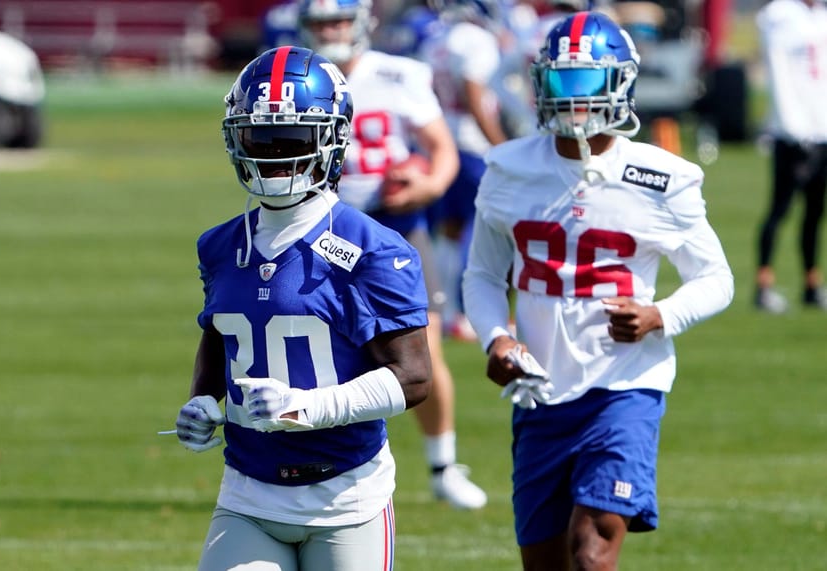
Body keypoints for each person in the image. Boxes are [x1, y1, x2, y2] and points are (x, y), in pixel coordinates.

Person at [462, 12, 734, 570]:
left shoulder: (662, 177)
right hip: (540, 391)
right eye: (562, 82)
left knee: (592, 550)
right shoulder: (508, 168)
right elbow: (484, 274)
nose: (574, 99)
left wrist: (660, 314)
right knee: (545, 561)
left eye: (588, 82)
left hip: (624, 386)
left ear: (621, 82)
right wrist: (495, 336)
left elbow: (716, 278)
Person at [173, 46, 433, 571]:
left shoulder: (374, 248)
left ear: (332, 141)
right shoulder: (221, 245)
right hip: (247, 493)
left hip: (345, 498)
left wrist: (304, 407)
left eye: (291, 140)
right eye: (258, 138)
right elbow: (223, 333)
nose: (272, 156)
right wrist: (203, 400)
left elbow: (413, 378)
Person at [297, 0, 488, 509]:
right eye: (320, 23)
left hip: (394, 228)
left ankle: (443, 465)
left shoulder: (399, 74)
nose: (330, 31)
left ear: (361, 23)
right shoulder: (296, 76)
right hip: (316, 227)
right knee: (316, 346)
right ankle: (314, 464)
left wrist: (427, 185)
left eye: (338, 20)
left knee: (424, 345)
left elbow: (441, 148)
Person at [418, 0, 511, 341]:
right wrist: (500, 145)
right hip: (471, 144)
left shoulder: (437, 38)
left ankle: (444, 310)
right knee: (480, 224)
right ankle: (465, 311)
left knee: (450, 229)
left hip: (443, 138)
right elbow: (474, 96)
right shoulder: (475, 39)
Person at [754, 0, 827, 313]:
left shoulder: (819, 15)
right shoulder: (780, 15)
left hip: (821, 128)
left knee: (815, 213)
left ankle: (811, 284)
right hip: (792, 133)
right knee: (780, 209)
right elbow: (778, 71)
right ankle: (763, 285)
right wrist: (789, 124)